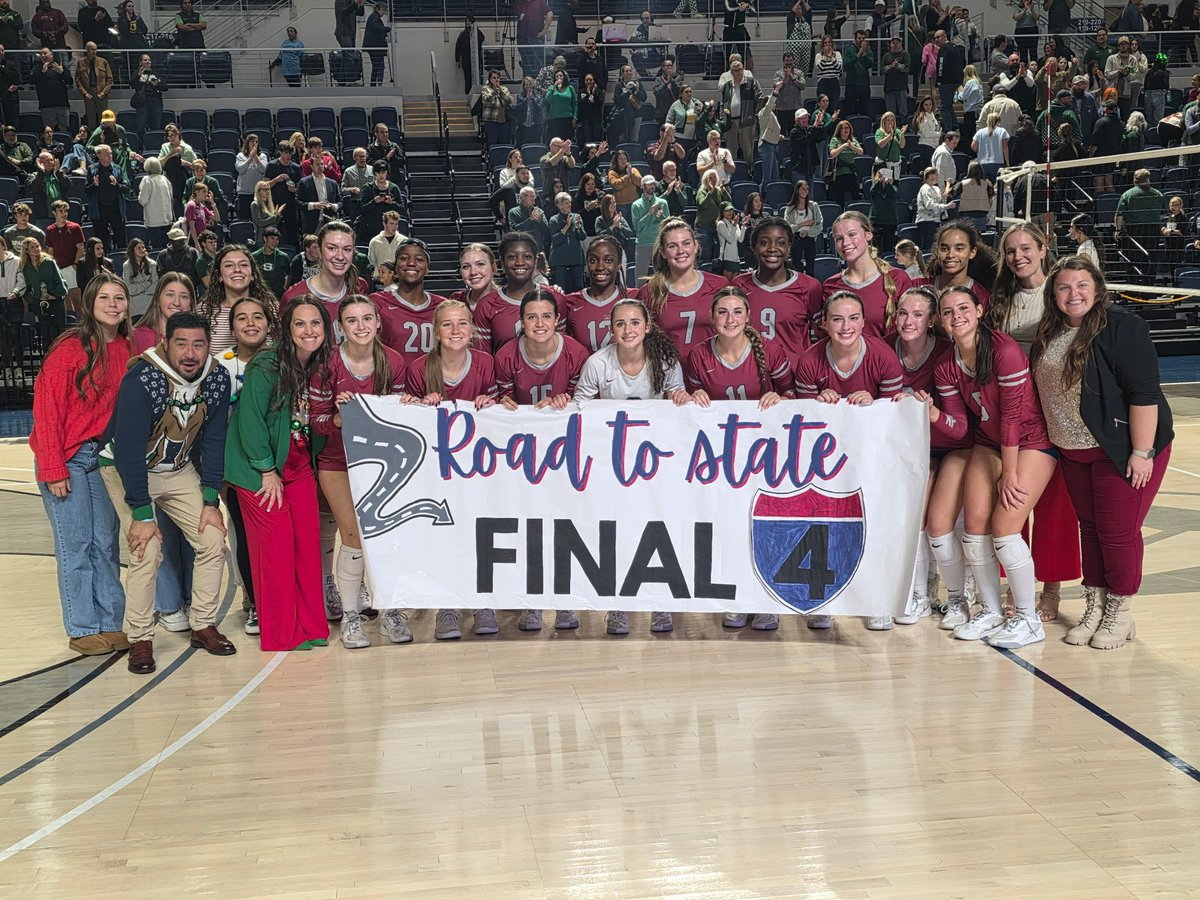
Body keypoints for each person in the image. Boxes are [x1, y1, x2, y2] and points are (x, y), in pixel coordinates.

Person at [1030, 255, 1172, 649]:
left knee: (1117, 534)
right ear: (1053, 293)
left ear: (1097, 288)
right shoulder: (1052, 330)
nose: (1073, 294)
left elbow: (1144, 394)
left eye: (1081, 286)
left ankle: (1119, 613)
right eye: (1063, 287)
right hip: (1073, 449)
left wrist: (1141, 452)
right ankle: (1094, 606)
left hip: (1119, 449)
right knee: (1089, 532)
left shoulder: (1124, 327)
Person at [102, 309, 233, 674]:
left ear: (209, 346)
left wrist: (210, 500)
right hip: (127, 470)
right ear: (165, 343)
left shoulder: (217, 378)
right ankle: (141, 637)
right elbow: (127, 448)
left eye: (198, 344)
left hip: (176, 469)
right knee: (148, 547)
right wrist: (142, 514)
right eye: (181, 344)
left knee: (211, 539)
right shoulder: (142, 378)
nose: (190, 353)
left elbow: (215, 440)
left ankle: (203, 623)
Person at [927, 285, 1056, 648]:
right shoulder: (945, 365)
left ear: (979, 310)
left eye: (964, 308)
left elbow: (1013, 417)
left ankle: (1029, 620)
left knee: (1004, 527)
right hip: (987, 442)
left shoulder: (1005, 351)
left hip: (1031, 441)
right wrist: (934, 413)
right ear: (942, 320)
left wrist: (1010, 473)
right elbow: (961, 427)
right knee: (975, 528)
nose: (957, 317)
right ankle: (991, 610)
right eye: (949, 312)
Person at [574, 297, 690, 634]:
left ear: (647, 326)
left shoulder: (664, 360)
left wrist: (680, 397)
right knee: (616, 532)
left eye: (635, 322)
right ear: (611, 329)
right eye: (621, 324)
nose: (628, 330)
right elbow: (579, 410)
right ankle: (618, 605)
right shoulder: (598, 363)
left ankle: (659, 602)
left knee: (656, 530)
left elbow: (677, 397)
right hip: (612, 462)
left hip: (656, 461)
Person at [30, 273, 132, 656]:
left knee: (106, 542)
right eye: (103, 297)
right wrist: (53, 467)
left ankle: (110, 621)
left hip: (102, 459)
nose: (112, 304)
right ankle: (82, 626)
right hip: (68, 456)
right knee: (76, 544)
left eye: (118, 297)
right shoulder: (70, 349)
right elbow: (47, 410)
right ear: (89, 304)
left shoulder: (125, 348)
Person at [225, 296, 331, 651]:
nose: (308, 330)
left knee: (307, 546)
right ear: (286, 329)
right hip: (258, 469)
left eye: (315, 323)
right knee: (277, 549)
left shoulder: (319, 366)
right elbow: (251, 420)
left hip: (299, 466)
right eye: (300, 323)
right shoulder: (266, 365)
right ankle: (281, 633)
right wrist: (266, 469)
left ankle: (313, 625)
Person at [987, 222, 1081, 619]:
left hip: (1054, 408)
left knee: (1055, 507)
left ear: (1044, 249)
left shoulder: (1061, 293)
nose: (1018, 257)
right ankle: (1017, 585)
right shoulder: (1000, 297)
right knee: (1011, 499)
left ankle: (1052, 590)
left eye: (1026, 248)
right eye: (1010, 251)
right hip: (1012, 410)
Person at [309, 295, 407, 649]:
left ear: (379, 323)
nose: (361, 326)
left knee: (384, 536)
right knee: (352, 537)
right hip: (337, 463)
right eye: (352, 320)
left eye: (368, 318)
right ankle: (351, 616)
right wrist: (337, 418)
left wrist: (406, 406)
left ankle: (389, 609)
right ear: (341, 327)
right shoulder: (327, 365)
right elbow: (316, 422)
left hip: (382, 462)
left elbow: (400, 418)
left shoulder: (393, 361)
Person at [890, 285, 973, 628]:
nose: (909, 321)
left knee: (943, 522)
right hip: (909, 450)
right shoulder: (881, 350)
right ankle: (919, 592)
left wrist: (934, 414)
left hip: (949, 445)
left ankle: (960, 594)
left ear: (933, 320)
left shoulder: (946, 354)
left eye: (918, 314)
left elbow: (960, 429)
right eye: (903, 313)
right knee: (912, 515)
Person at [638, 218, 726, 355]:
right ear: (662, 252)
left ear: (695, 246)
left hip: (711, 373)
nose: (680, 251)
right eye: (672, 246)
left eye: (686, 243)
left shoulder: (720, 286)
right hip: (667, 373)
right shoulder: (649, 293)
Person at [824, 211, 912, 337]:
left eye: (852, 234)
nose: (845, 243)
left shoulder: (897, 278)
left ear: (868, 235)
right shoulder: (830, 285)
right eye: (839, 239)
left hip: (889, 356)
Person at [281, 221, 370, 332]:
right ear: (319, 250)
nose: (340, 257)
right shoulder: (293, 297)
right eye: (332, 248)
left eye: (347, 249)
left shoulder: (360, 287)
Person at [199, 242, 277, 353]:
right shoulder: (204, 311)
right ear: (219, 276)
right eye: (229, 265)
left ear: (253, 275)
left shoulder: (272, 308)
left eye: (243, 265)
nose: (237, 269)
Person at [561, 236, 631, 352]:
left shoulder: (634, 298)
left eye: (608, 260)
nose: (600, 267)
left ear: (619, 264)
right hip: (584, 369)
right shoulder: (569, 302)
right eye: (593, 260)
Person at [916, 220, 996, 304]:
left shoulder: (982, 297)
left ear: (972, 252)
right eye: (944, 249)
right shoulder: (917, 286)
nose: (950, 255)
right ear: (937, 251)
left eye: (959, 249)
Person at [18, 237, 69, 350]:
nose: (36, 249)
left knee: (60, 331)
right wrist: (35, 298)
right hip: (40, 303)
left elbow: (60, 282)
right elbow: (26, 288)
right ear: (26, 250)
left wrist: (55, 295)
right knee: (45, 332)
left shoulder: (49, 263)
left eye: (37, 246)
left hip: (56, 301)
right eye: (32, 247)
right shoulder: (26, 267)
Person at [297, 154, 342, 237]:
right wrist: (314, 205)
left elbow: (340, 202)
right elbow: (297, 203)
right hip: (312, 224)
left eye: (321, 164)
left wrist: (334, 206)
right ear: (312, 166)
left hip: (329, 222)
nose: (320, 166)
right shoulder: (304, 182)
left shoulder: (332, 183)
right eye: (317, 164)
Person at [782, 180, 821, 277]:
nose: (805, 191)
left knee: (810, 265)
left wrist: (809, 231)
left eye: (807, 189)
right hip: (796, 238)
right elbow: (787, 227)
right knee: (796, 266)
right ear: (797, 190)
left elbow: (819, 225)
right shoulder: (790, 208)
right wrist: (804, 224)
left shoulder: (814, 206)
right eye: (803, 189)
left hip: (810, 237)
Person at [916, 166, 956, 251]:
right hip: (926, 221)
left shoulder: (936, 188)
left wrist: (944, 200)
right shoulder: (925, 188)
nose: (938, 177)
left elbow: (939, 203)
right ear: (930, 176)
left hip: (936, 220)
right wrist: (946, 206)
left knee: (935, 246)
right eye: (936, 175)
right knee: (928, 246)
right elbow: (929, 205)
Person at [33, 47, 73, 131]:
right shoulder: (37, 68)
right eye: (41, 54)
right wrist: (42, 72)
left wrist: (62, 72)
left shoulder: (59, 66)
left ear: (51, 55)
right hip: (46, 105)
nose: (42, 56)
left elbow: (70, 81)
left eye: (45, 53)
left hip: (62, 103)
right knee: (49, 130)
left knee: (63, 128)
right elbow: (32, 81)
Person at [75, 43, 114, 131]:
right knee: (91, 118)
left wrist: (104, 92)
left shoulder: (103, 61)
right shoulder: (81, 62)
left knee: (104, 118)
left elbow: (110, 79)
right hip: (88, 92)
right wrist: (84, 93)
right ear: (86, 50)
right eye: (92, 49)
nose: (94, 52)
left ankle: (104, 136)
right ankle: (92, 137)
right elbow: (78, 80)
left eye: (95, 49)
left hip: (101, 92)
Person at [828, 119, 863, 208]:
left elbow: (861, 152)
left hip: (851, 172)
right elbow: (832, 154)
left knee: (856, 196)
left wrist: (852, 146)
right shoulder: (835, 140)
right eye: (842, 128)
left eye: (847, 128)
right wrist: (843, 146)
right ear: (839, 130)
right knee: (839, 198)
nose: (845, 130)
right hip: (839, 173)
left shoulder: (853, 140)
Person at [122, 238, 158, 317]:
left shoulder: (152, 264)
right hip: (134, 307)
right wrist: (147, 283)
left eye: (143, 247)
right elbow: (130, 289)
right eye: (139, 248)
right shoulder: (127, 266)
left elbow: (155, 287)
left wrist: (138, 290)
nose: (142, 250)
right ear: (132, 250)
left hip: (150, 305)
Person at [251, 226, 290, 298]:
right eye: (272, 238)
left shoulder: (283, 256)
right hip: (260, 295)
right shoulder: (254, 256)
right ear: (265, 238)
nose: (275, 242)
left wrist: (285, 287)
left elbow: (289, 274)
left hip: (279, 295)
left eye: (277, 239)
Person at [479, 70, 514, 149]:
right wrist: (494, 91)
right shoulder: (485, 89)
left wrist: (500, 91)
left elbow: (509, 100)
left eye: (498, 77)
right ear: (490, 79)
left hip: (504, 121)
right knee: (492, 143)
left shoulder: (504, 89)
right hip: (491, 121)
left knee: (504, 143)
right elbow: (486, 100)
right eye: (494, 78)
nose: (496, 79)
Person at [812, 35, 844, 112]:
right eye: (825, 43)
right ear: (823, 45)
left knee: (833, 107)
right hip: (823, 82)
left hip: (834, 82)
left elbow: (839, 68)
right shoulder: (819, 56)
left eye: (829, 42)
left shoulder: (837, 54)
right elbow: (820, 68)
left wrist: (832, 58)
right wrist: (825, 56)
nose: (827, 44)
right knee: (822, 108)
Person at [455, 15, 485, 94]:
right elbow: (458, 47)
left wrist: (475, 29)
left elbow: (482, 38)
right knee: (467, 79)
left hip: (476, 60)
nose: (467, 23)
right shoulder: (462, 35)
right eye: (466, 21)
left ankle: (478, 94)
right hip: (466, 61)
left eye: (469, 21)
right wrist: (457, 59)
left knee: (478, 78)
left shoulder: (477, 33)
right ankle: (468, 94)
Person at [362, 2, 389, 86]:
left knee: (376, 67)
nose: (383, 12)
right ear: (377, 9)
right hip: (375, 47)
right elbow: (376, 27)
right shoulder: (375, 18)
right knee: (380, 66)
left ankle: (373, 85)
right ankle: (378, 85)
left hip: (373, 47)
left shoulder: (373, 17)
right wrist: (387, 29)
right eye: (382, 10)